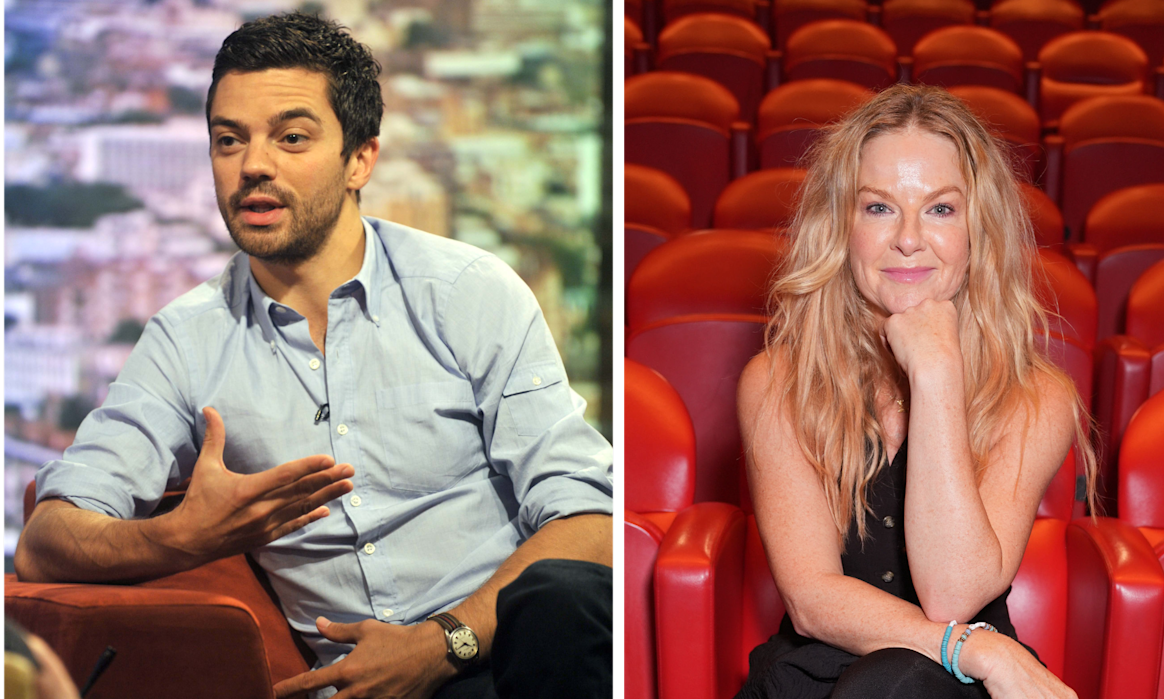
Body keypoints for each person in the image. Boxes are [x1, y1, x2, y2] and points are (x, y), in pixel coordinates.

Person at [14, 12, 613, 699]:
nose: (253, 165)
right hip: (349, 687)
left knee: (568, 600)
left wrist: (437, 643)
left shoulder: (467, 292)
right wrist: (182, 537)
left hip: (503, 656)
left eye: (291, 138)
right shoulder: (185, 340)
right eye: (228, 140)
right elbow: (44, 542)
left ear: (361, 159)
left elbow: (589, 520)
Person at [733, 84, 1097, 698]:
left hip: (953, 689)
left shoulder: (1037, 397)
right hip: (818, 675)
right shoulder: (777, 381)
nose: (908, 237)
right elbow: (812, 599)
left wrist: (936, 373)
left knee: (895, 683)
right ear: (841, 225)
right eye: (878, 207)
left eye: (940, 209)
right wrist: (980, 650)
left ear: (978, 230)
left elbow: (953, 594)